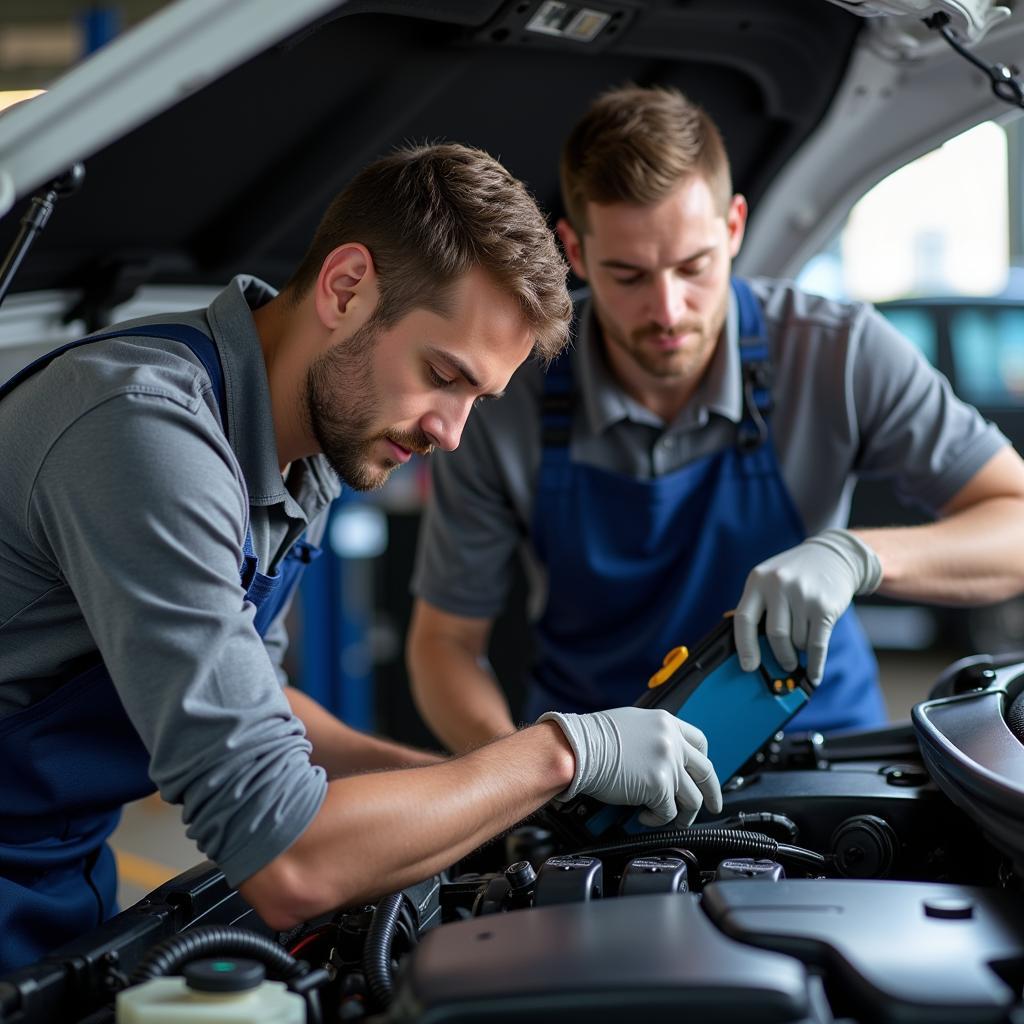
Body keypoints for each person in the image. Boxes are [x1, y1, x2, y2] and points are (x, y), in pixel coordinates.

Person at [0, 142, 723, 974]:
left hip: (57, 886)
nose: (450, 434)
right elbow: (287, 861)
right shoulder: (143, 436)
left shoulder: (301, 451)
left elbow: (258, 702)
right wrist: (563, 753)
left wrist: (471, 792)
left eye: (477, 400)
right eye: (441, 375)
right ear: (346, 290)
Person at [407, 86, 1024, 755]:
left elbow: (1014, 524)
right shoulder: (503, 393)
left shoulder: (837, 353)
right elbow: (444, 643)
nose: (668, 310)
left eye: (693, 267)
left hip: (823, 751)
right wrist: (527, 770)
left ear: (733, 227)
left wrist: (856, 556)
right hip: (600, 770)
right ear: (575, 253)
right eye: (629, 275)